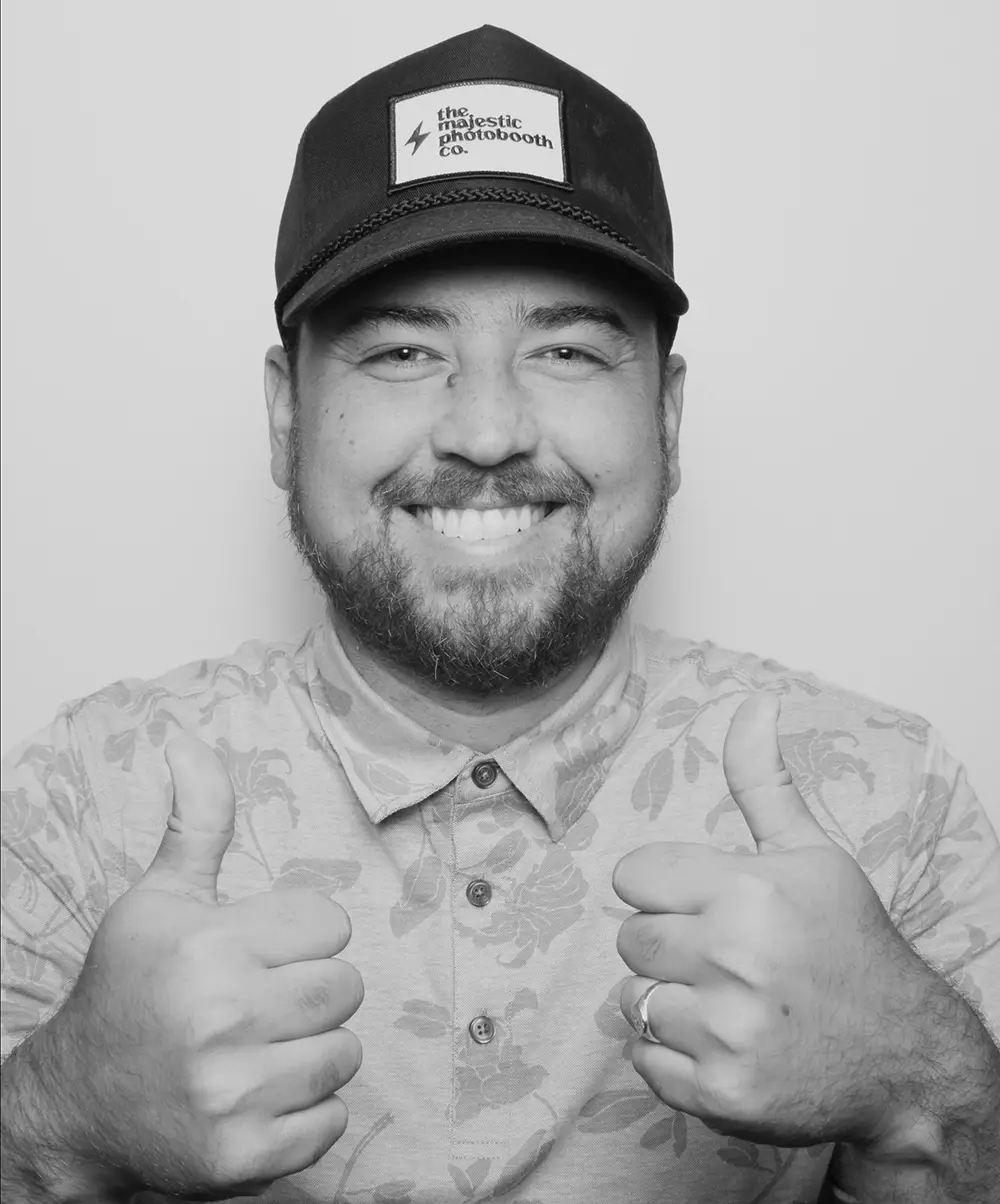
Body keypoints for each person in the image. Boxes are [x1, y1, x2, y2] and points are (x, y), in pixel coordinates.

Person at [1, 23, 997, 1204]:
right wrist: (55, 1118)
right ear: (284, 414)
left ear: (668, 417)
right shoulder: (88, 797)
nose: (485, 430)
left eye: (568, 349)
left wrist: (924, 1089)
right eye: (401, 350)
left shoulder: (884, 796)